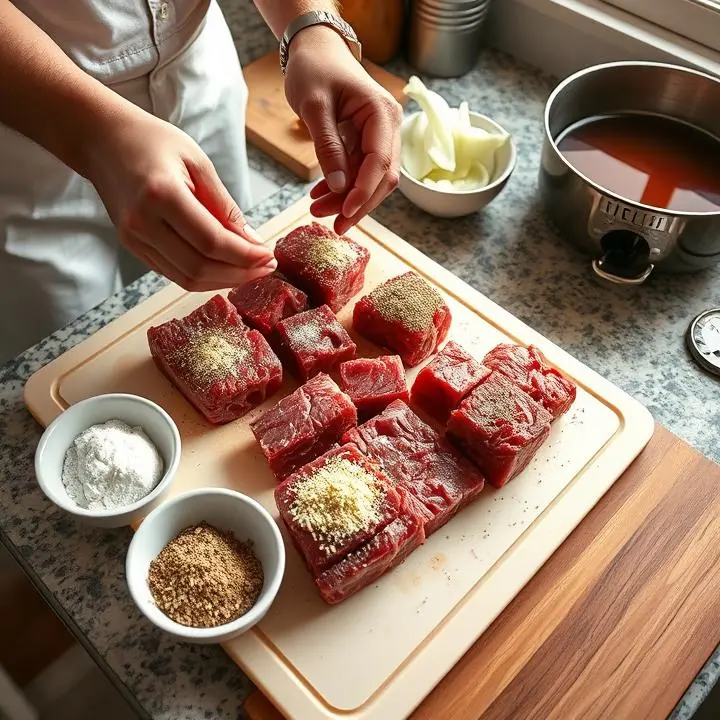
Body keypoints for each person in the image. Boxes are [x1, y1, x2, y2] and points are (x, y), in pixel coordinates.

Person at [0, 1, 402, 363]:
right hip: (30, 115)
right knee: (74, 357)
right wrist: (94, 136)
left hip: (196, 73)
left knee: (235, 279)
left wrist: (313, 27)